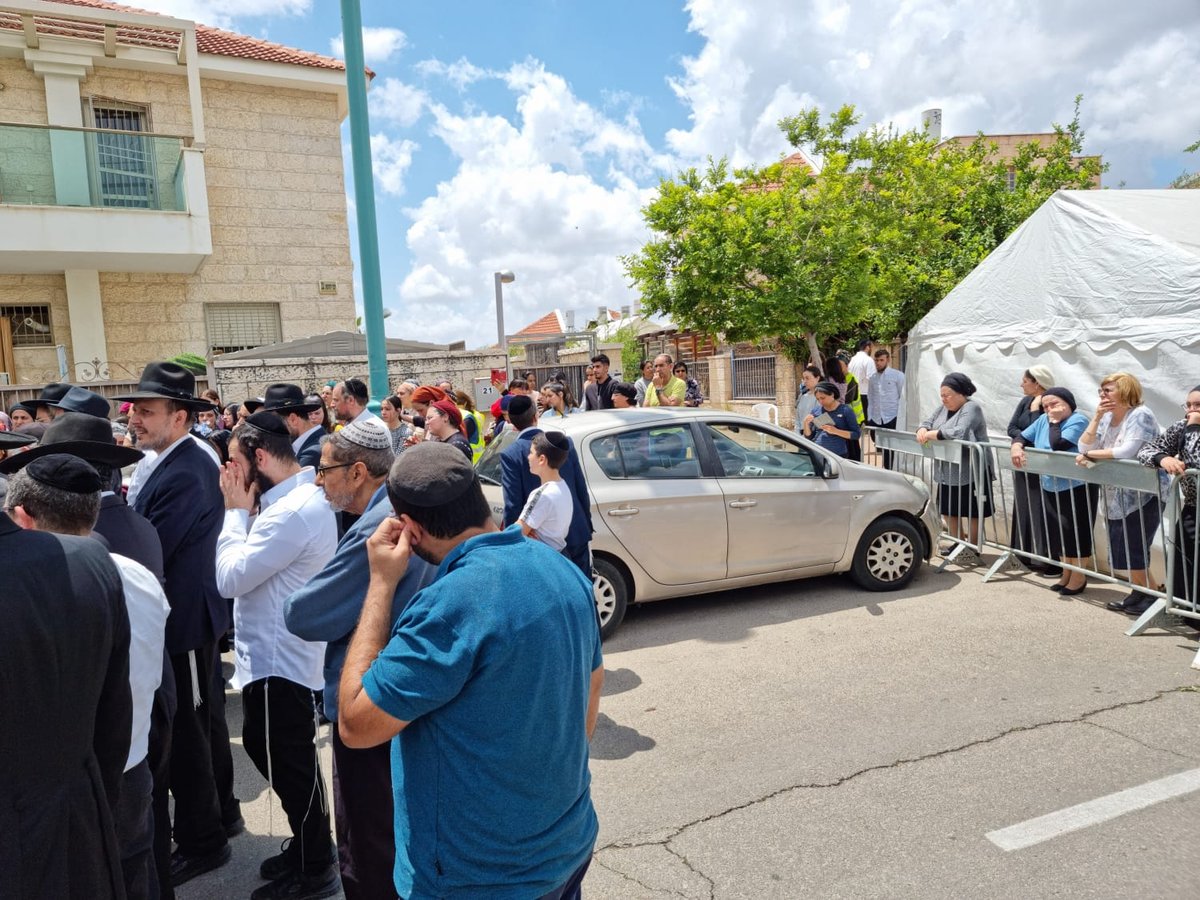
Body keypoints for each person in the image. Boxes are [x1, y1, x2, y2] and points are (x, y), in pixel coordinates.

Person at [337, 441, 602, 899]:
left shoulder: (449, 607)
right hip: (566, 845)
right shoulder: (562, 570)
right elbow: (588, 709)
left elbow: (356, 723)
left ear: (411, 531)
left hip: (477, 877)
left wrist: (381, 581)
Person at [8, 452, 169, 900]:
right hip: (131, 764)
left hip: (78, 783)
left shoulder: (48, 588)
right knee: (136, 871)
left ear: (23, 517)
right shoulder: (134, 574)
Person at [285, 421, 436, 900]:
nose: (317, 480)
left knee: (369, 848)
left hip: (371, 702)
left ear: (356, 472)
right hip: (406, 697)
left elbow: (306, 613)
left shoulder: (378, 526)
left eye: (324, 469)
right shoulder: (398, 512)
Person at [114, 361, 237, 886]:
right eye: (135, 409)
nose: (135, 419)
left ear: (180, 416)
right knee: (198, 723)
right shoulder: (174, 458)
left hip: (184, 623)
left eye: (147, 410)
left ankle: (203, 839)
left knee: (186, 732)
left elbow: (151, 547)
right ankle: (220, 816)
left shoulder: (186, 467)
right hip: (184, 619)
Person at [215, 414, 339, 900]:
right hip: (278, 657)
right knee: (285, 758)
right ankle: (312, 849)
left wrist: (233, 513)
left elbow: (230, 579)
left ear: (260, 459)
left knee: (287, 763)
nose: (229, 473)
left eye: (235, 462)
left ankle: (315, 869)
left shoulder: (288, 512)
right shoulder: (290, 500)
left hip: (279, 661)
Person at [1074, 373, 1164, 614]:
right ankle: (1140, 593)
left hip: (1142, 493)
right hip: (1116, 492)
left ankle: (1153, 597)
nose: (1102, 395)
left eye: (1108, 390)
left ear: (1125, 390)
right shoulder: (1107, 417)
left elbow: (1128, 450)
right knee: (1124, 546)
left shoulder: (1140, 415)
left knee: (1134, 546)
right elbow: (1085, 446)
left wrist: (1091, 455)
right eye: (1101, 391)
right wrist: (1096, 417)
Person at [1012, 387, 1097, 595]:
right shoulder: (1043, 420)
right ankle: (1066, 572)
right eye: (1046, 406)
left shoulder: (1078, 420)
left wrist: (1055, 421)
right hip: (1050, 484)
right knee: (1059, 531)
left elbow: (1057, 444)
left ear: (1068, 403)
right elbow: (1022, 436)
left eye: (1055, 404)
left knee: (1075, 531)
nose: (1050, 409)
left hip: (1076, 485)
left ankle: (1078, 576)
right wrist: (1016, 447)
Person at [500, 395, 594, 576]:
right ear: (536, 416)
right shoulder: (563, 443)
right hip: (576, 531)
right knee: (584, 591)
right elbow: (581, 488)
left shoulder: (511, 454)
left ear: (511, 422)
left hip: (542, 546)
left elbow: (512, 504)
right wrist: (586, 524)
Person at [1138, 385, 1200, 616]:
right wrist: (1162, 458)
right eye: (1189, 405)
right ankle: (1187, 614)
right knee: (1185, 562)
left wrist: (1194, 427)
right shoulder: (1181, 426)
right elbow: (1146, 450)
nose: (1192, 410)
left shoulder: (1190, 427)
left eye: (1198, 405)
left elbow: (1196, 459)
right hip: (1193, 508)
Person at [917, 373, 992, 560]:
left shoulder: (971, 407)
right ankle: (958, 543)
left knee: (972, 509)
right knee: (949, 508)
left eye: (947, 395)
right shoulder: (942, 408)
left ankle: (972, 547)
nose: (943, 399)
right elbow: (926, 422)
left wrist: (933, 434)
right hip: (948, 468)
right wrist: (922, 429)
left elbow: (959, 431)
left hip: (971, 467)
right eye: (941, 395)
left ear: (960, 394)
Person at [1006, 366, 1059, 576]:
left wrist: (1037, 411)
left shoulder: (1049, 403)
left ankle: (1048, 558)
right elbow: (1011, 428)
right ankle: (1023, 553)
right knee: (1024, 507)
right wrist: (1022, 439)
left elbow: (1042, 432)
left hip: (1041, 465)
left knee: (1042, 509)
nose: (1022, 384)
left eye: (1025, 381)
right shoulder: (1024, 402)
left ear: (1037, 382)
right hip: (1024, 462)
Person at [519, 431, 574, 552]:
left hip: (542, 558)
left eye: (531, 453)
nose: (528, 457)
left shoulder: (542, 494)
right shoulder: (563, 486)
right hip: (559, 554)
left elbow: (517, 532)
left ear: (542, 459)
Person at [261, 383, 326, 469]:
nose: (272, 429)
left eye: (275, 423)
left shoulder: (312, 453)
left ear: (293, 419)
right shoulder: (309, 444)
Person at [866, 348, 905, 469]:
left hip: (892, 417)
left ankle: (893, 470)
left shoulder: (897, 376)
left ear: (887, 360)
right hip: (877, 419)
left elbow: (902, 398)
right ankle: (888, 469)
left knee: (893, 449)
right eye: (876, 360)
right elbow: (870, 398)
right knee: (881, 448)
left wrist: (900, 417)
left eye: (881, 360)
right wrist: (870, 417)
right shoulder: (872, 378)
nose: (878, 363)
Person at [801, 381, 860, 459]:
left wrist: (835, 431)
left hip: (838, 456)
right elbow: (809, 436)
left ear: (832, 394)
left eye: (823, 398)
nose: (820, 401)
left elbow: (856, 434)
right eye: (818, 399)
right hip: (818, 454)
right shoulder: (816, 411)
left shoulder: (845, 410)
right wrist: (805, 423)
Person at [824, 356, 864, 461]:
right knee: (849, 442)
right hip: (844, 411)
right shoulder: (843, 380)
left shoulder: (828, 381)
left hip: (833, 411)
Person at [848, 339, 876, 421]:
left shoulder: (852, 360)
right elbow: (872, 378)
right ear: (867, 347)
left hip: (853, 394)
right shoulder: (868, 360)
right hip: (865, 394)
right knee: (867, 420)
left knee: (856, 419)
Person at [454, 389, 487, 461]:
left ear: (465, 403)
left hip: (472, 457)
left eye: (459, 405)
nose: (457, 408)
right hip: (476, 455)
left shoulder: (469, 417)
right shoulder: (475, 414)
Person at [794, 365, 823, 436]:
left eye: (807, 378)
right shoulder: (803, 396)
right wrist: (797, 434)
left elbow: (822, 421)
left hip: (815, 438)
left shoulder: (823, 397)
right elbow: (797, 419)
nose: (804, 381)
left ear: (817, 378)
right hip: (801, 438)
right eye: (803, 378)